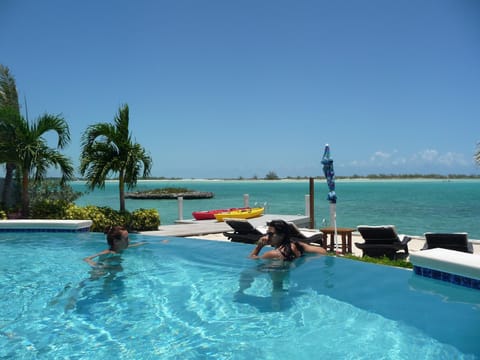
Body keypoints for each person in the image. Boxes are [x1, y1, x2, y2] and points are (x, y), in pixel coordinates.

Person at [249, 219, 326, 260]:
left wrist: (258, 247)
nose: (267, 236)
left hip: (279, 277)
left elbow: (252, 259)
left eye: (271, 234)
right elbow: (323, 251)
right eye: (267, 233)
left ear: (282, 235)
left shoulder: (273, 254)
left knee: (246, 275)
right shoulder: (298, 245)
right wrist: (306, 260)